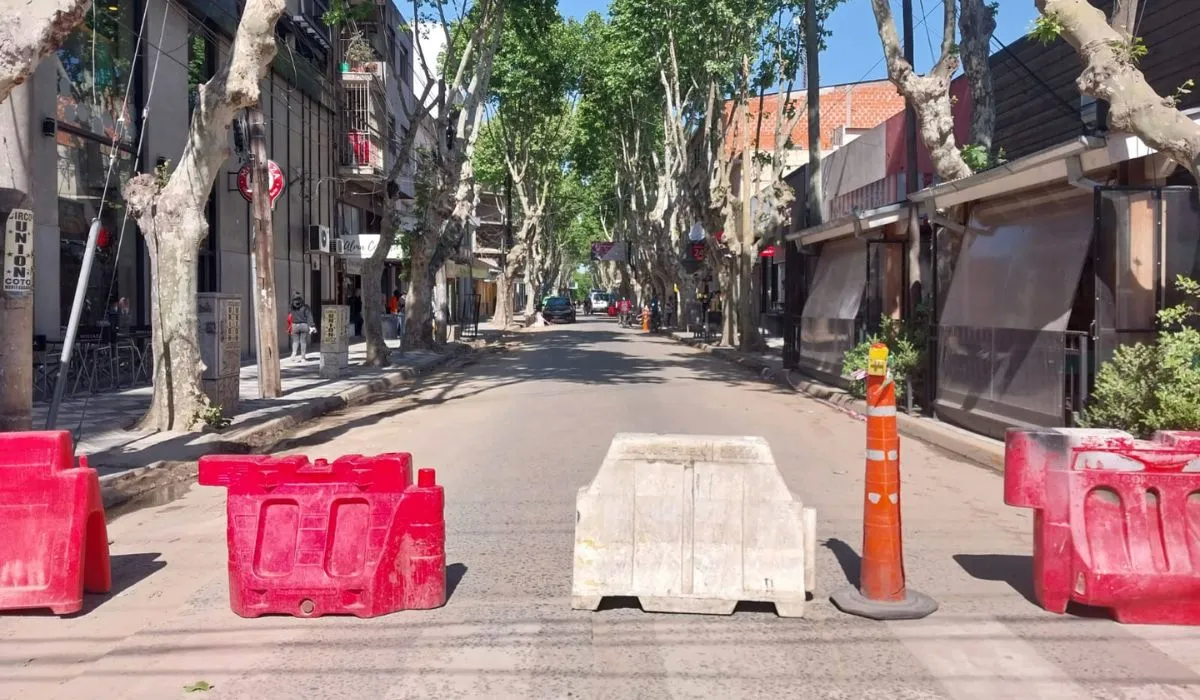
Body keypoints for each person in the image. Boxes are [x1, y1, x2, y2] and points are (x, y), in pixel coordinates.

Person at [289, 292, 315, 362]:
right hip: (304, 325)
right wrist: (312, 326)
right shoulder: (305, 307)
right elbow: (309, 316)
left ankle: (293, 354)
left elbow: (290, 315)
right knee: (303, 342)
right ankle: (303, 357)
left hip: (295, 325)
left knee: (295, 341)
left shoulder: (291, 306)